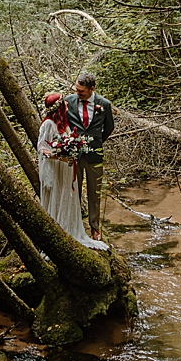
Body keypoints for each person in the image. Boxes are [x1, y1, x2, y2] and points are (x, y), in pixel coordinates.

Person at [38, 92, 107, 251]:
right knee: (58, 197)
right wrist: (59, 156)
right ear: (59, 108)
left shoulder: (64, 124)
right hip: (57, 170)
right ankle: (57, 234)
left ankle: (69, 230)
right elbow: (42, 148)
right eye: (65, 104)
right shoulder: (48, 124)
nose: (68, 105)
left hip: (67, 169)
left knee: (67, 198)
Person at [63, 71, 114, 245]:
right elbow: (64, 124)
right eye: (77, 90)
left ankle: (95, 228)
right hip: (74, 155)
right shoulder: (68, 101)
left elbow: (109, 128)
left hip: (95, 154)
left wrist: (96, 141)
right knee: (73, 191)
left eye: (82, 91)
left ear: (92, 89)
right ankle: (74, 225)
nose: (78, 93)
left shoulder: (104, 105)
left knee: (94, 192)